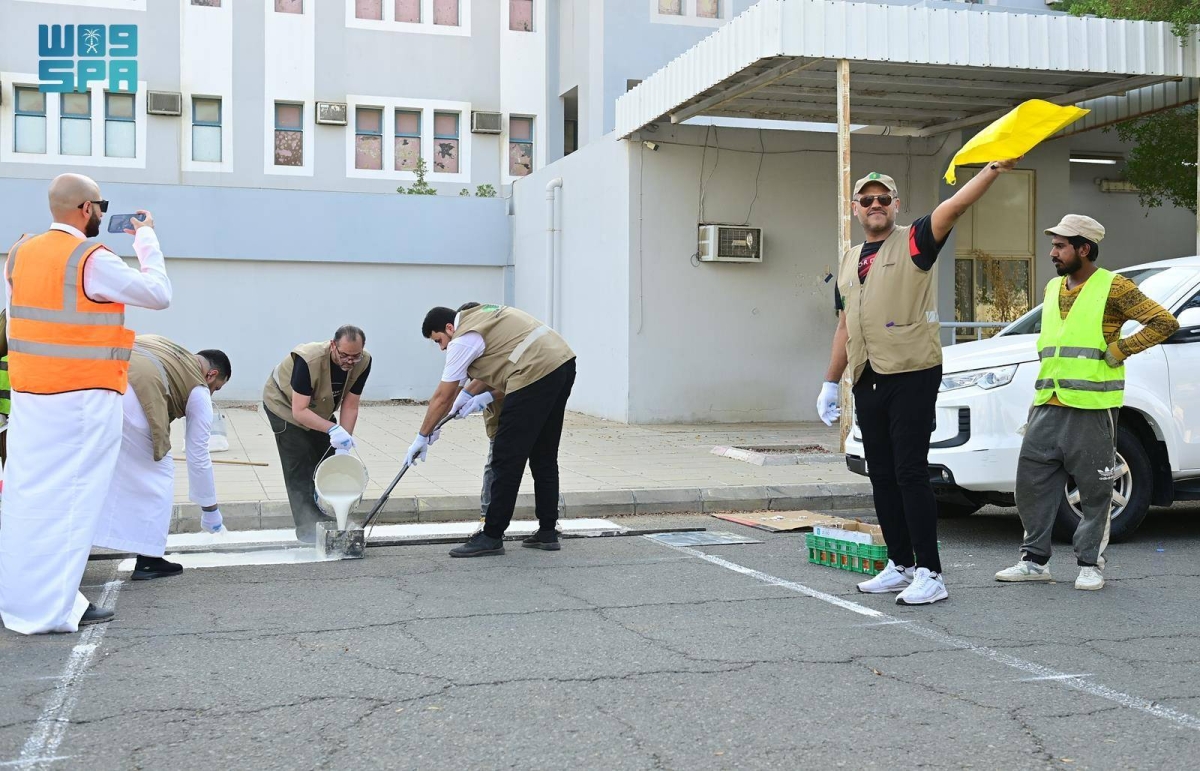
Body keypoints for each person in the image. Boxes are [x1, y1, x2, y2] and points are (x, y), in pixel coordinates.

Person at [816, 162, 1016, 606]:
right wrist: (830, 382)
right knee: (881, 473)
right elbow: (845, 326)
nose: (875, 205)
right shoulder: (849, 260)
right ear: (855, 208)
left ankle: (930, 572)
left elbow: (955, 206)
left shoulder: (915, 240)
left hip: (912, 371)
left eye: (883, 199)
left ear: (895, 205)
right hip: (867, 375)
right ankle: (900, 563)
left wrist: (992, 170)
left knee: (910, 471)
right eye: (867, 200)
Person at [0, 173, 170, 634]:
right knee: (74, 500)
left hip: (30, 396)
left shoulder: (19, 253)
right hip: (81, 398)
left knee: (28, 498)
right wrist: (146, 237)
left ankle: (22, 599)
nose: (100, 213)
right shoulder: (90, 258)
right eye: (100, 205)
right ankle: (53, 609)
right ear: (86, 209)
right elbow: (159, 294)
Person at [995, 215, 1178, 591]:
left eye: (1060, 246)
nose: (1052, 252)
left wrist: (1121, 349)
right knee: (1031, 486)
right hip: (1048, 401)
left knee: (1096, 492)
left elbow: (1164, 323)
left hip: (1092, 407)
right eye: (1053, 245)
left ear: (1084, 248)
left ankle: (1090, 564)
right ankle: (1034, 562)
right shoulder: (1052, 288)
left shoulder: (1114, 287)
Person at [412, 303, 575, 557]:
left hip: (536, 373)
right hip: (562, 363)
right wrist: (465, 399)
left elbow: (442, 395)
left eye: (439, 341)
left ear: (449, 328)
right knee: (543, 454)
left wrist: (422, 436)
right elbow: (496, 367)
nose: (442, 347)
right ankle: (547, 531)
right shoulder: (483, 317)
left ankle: (492, 535)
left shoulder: (462, 338)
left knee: (505, 457)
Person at [92, 336, 232, 580]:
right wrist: (210, 511)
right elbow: (198, 455)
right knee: (159, 473)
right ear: (211, 375)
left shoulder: (165, 346)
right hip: (130, 398)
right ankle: (149, 561)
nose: (212, 393)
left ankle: (72, 544)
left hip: (92, 382)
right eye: (216, 388)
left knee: (96, 469)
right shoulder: (199, 388)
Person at [262, 326, 371, 542]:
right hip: (284, 405)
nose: (350, 361)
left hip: (318, 408)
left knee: (328, 456)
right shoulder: (308, 359)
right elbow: (299, 411)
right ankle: (307, 528)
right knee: (300, 459)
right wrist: (332, 428)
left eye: (355, 356)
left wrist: (343, 441)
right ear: (333, 345)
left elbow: (350, 405)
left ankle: (326, 516)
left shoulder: (364, 362)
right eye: (344, 355)